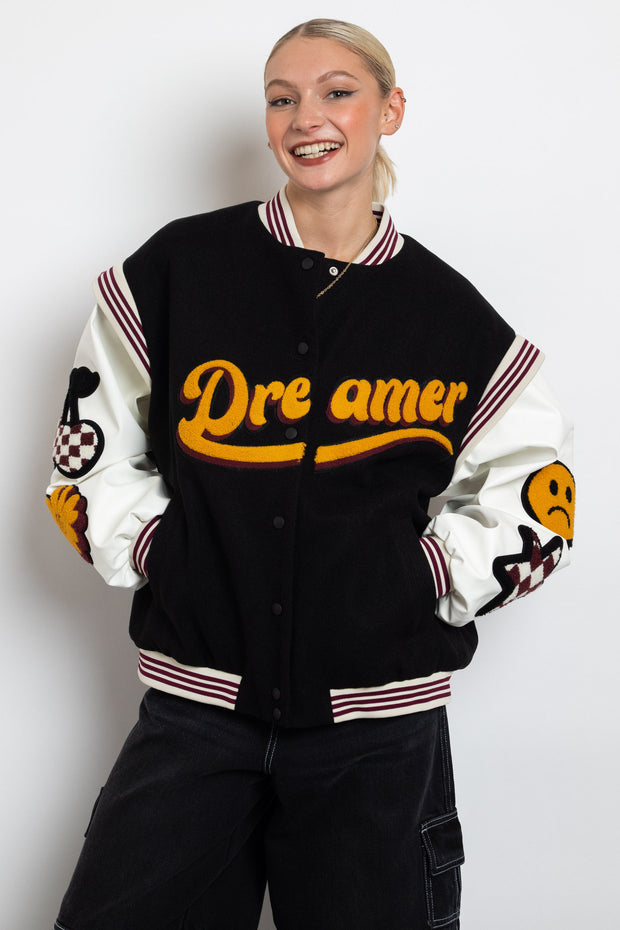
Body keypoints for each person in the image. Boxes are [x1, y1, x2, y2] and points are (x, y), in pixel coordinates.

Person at [47, 18, 574, 930]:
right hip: (196, 716)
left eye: (338, 92)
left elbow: (539, 496)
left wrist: (424, 576)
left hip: (379, 735)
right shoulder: (179, 270)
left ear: (390, 110)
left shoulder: (447, 314)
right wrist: (167, 553)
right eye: (282, 99)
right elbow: (84, 453)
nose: (306, 118)